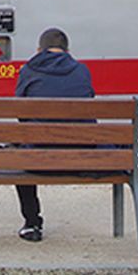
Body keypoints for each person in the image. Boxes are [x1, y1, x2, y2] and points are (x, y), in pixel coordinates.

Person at [13, 27, 93, 242]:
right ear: (68, 50)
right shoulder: (82, 70)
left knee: (19, 151)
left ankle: (32, 223)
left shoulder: (28, 70)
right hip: (82, 158)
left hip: (39, 159)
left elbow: (21, 116)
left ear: (39, 50)